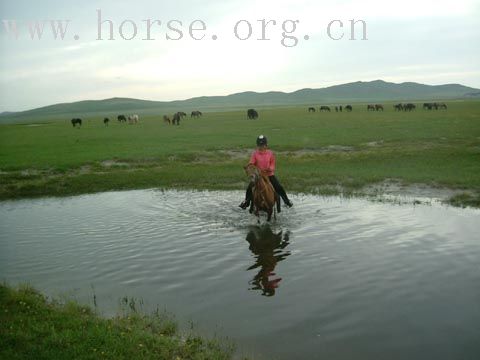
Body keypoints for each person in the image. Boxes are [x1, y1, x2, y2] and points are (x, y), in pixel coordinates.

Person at [239, 135, 293, 209]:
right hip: (259, 176)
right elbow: (252, 162)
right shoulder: (255, 154)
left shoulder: (270, 153)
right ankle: (246, 202)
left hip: (269, 175)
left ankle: (287, 201)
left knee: (278, 187)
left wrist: (269, 168)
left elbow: (273, 164)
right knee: (249, 188)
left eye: (263, 145)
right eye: (259, 145)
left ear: (266, 145)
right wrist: (249, 165)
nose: (261, 147)